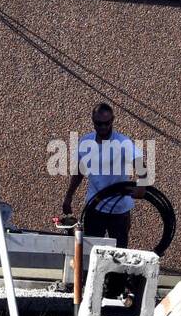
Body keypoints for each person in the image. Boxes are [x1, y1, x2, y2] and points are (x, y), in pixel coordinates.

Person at [62, 102, 145, 248]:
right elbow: (79, 172)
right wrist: (69, 196)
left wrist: (142, 187)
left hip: (119, 210)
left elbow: (142, 167)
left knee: (119, 253)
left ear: (112, 120)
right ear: (93, 122)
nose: (103, 127)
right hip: (95, 207)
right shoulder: (85, 142)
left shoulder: (123, 143)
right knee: (91, 251)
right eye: (98, 124)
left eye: (106, 123)